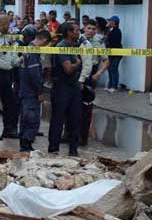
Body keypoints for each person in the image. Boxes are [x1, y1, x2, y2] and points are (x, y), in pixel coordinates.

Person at [48, 23, 82, 156]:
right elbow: (68, 69)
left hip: (73, 87)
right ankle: (53, 148)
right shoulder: (62, 47)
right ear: (69, 33)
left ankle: (73, 150)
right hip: (62, 87)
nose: (78, 33)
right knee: (58, 119)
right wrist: (78, 63)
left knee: (75, 119)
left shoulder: (74, 47)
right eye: (76, 30)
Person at [79, 20, 109, 146]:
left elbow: (106, 61)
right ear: (84, 29)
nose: (91, 31)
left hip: (92, 74)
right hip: (79, 71)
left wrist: (98, 74)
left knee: (87, 105)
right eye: (89, 28)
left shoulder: (99, 42)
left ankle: (84, 135)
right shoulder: (78, 40)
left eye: (93, 29)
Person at [19, 29, 49, 152]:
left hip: (25, 90)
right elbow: (35, 74)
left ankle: (24, 142)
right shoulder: (33, 52)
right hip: (31, 91)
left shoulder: (28, 48)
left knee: (25, 118)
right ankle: (26, 143)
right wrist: (40, 92)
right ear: (45, 40)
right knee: (32, 118)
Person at [105, 15, 123, 93]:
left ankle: (114, 86)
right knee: (109, 69)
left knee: (114, 69)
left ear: (114, 22)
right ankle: (110, 85)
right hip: (110, 53)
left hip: (116, 54)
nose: (108, 22)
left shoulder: (117, 31)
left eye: (110, 21)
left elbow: (114, 42)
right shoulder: (111, 30)